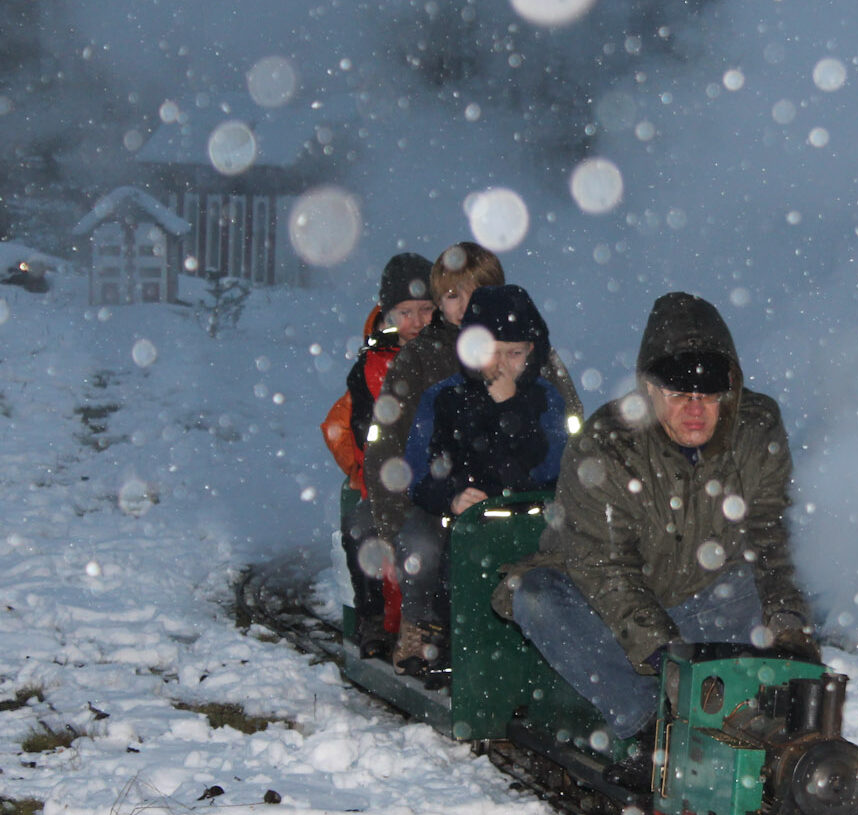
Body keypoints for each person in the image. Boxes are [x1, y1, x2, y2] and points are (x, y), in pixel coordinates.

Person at [497, 291, 815, 783]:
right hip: (606, 610)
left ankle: (756, 722)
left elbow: (771, 535)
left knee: (776, 593)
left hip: (704, 600)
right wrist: (665, 652)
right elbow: (603, 564)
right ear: (648, 388)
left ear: (729, 389)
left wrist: (789, 625)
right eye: (677, 393)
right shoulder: (608, 442)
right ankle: (649, 730)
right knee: (534, 597)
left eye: (708, 395)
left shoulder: (757, 426)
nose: (694, 410)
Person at [364, 242, 582, 665]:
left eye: (475, 292)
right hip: (441, 501)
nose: (464, 305)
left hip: (527, 503)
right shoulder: (424, 366)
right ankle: (423, 630)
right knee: (426, 551)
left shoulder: (537, 366)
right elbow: (395, 453)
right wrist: (401, 524)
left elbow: (563, 441)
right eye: (452, 296)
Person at [320, 252, 435, 659]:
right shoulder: (371, 367)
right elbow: (364, 438)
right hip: (387, 480)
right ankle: (374, 620)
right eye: (406, 311)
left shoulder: (451, 353)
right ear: (388, 313)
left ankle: (428, 628)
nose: (417, 321)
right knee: (364, 530)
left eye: (425, 309)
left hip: (439, 477)